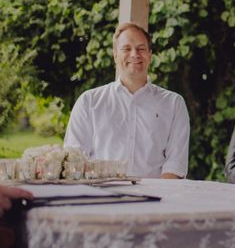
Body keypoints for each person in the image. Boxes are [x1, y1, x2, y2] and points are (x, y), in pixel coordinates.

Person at [64, 23, 190, 178]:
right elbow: (74, 158)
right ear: (115, 55)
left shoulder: (173, 104)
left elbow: (175, 164)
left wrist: (156, 198)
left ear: (150, 55)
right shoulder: (89, 102)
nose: (134, 54)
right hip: (101, 196)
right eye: (126, 49)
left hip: (155, 198)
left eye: (141, 48)